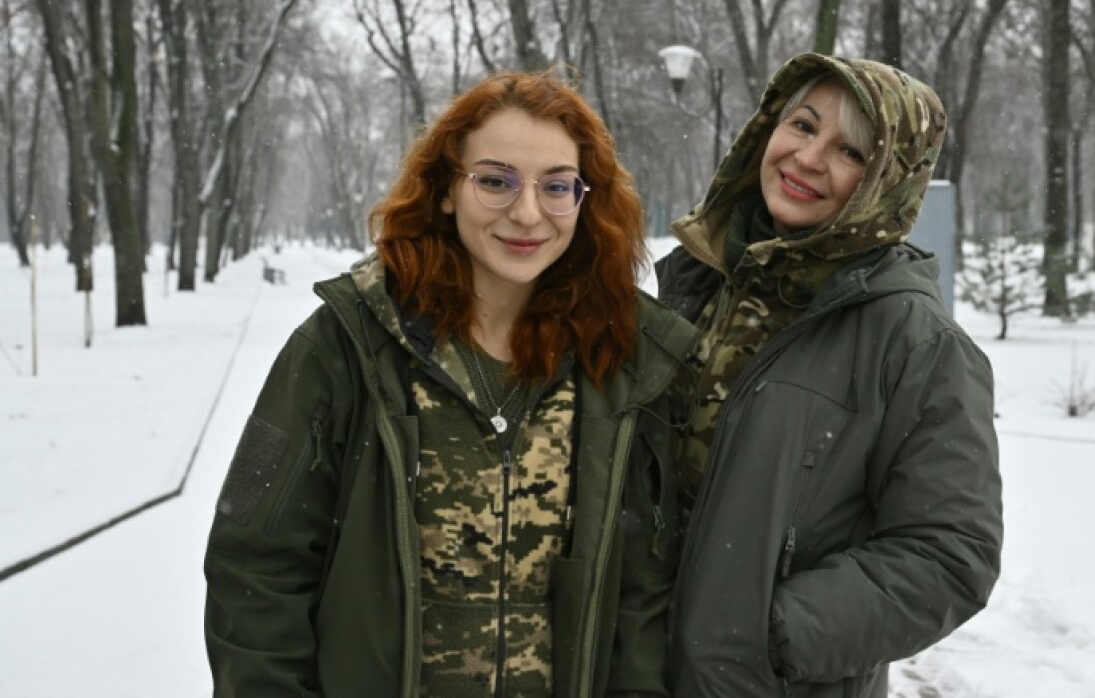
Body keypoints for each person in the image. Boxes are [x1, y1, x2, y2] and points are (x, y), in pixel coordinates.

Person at [204, 71, 695, 697]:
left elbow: (643, 601)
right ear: (445, 190)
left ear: (584, 200)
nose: (526, 213)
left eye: (556, 187)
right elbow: (255, 568)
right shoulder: (342, 348)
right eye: (495, 181)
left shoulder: (626, 363)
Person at [655, 53, 1003, 697]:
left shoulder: (917, 344)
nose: (809, 159)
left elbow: (951, 553)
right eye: (803, 126)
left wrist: (769, 633)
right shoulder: (691, 287)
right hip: (633, 671)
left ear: (889, 181)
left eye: (850, 152)